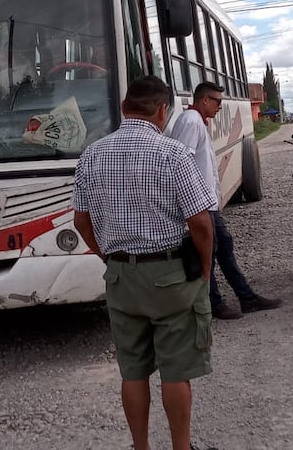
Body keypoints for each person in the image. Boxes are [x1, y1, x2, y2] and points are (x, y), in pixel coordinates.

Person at [72, 76, 216, 450]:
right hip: (170, 275)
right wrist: (204, 269)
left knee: (132, 371)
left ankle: (140, 447)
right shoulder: (173, 154)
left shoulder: (92, 154)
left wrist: (109, 257)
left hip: (121, 277)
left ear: (124, 107)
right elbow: (200, 222)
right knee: (176, 370)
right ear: (163, 110)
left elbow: (81, 222)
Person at [170, 82, 282, 320]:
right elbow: (182, 163)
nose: (221, 106)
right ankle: (213, 304)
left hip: (207, 202)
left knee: (224, 249)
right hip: (200, 205)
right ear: (205, 100)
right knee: (208, 254)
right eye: (218, 101)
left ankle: (246, 298)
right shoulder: (190, 121)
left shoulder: (197, 120)